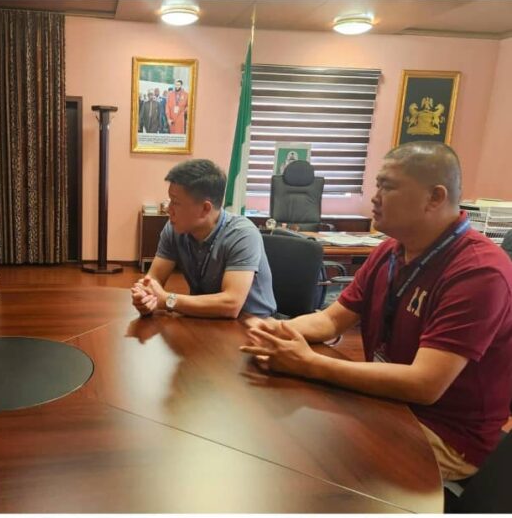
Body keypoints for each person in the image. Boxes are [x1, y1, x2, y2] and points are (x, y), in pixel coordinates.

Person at [241, 141, 512, 481]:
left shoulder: (479, 271)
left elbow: (424, 384)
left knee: (313, 460)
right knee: (284, 429)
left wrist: (309, 364)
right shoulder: (390, 251)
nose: (375, 196)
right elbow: (330, 319)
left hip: (445, 436)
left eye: (389, 186)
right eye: (377, 185)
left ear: (435, 197)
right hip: (389, 403)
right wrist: (281, 331)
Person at [132, 159, 276, 319]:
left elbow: (231, 304)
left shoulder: (242, 234)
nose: (168, 209)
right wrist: (145, 296)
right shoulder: (174, 229)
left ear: (205, 209)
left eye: (175, 202)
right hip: (203, 319)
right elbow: (153, 280)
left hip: (253, 325)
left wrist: (168, 300)